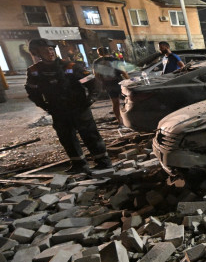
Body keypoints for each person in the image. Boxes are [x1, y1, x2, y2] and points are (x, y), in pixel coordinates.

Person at [25, 39, 112, 174]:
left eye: (51, 50)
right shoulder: (34, 71)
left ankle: (103, 162)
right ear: (37, 53)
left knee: (90, 136)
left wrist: (90, 100)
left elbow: (92, 83)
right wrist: (43, 105)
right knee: (66, 138)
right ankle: (79, 164)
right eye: (45, 50)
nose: (50, 53)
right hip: (58, 110)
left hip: (79, 108)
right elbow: (32, 90)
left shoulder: (70, 67)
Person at [93, 45, 129, 128]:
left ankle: (120, 122)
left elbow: (96, 75)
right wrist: (129, 80)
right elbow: (123, 72)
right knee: (127, 100)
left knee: (115, 103)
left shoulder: (97, 62)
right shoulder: (115, 60)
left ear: (99, 53)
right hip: (119, 82)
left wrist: (100, 85)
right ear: (107, 52)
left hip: (108, 85)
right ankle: (128, 118)